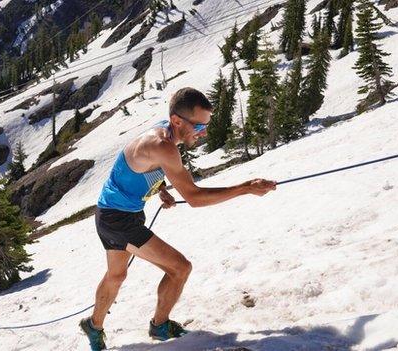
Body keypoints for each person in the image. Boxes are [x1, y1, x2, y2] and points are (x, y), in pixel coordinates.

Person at [79, 87, 276, 350]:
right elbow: (194, 197)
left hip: (110, 213)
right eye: (199, 125)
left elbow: (142, 166)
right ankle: (160, 326)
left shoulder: (163, 136)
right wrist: (246, 187)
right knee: (179, 268)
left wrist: (159, 189)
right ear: (177, 121)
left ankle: (93, 326)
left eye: (206, 125)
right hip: (119, 219)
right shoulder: (164, 146)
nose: (203, 132)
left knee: (116, 275)